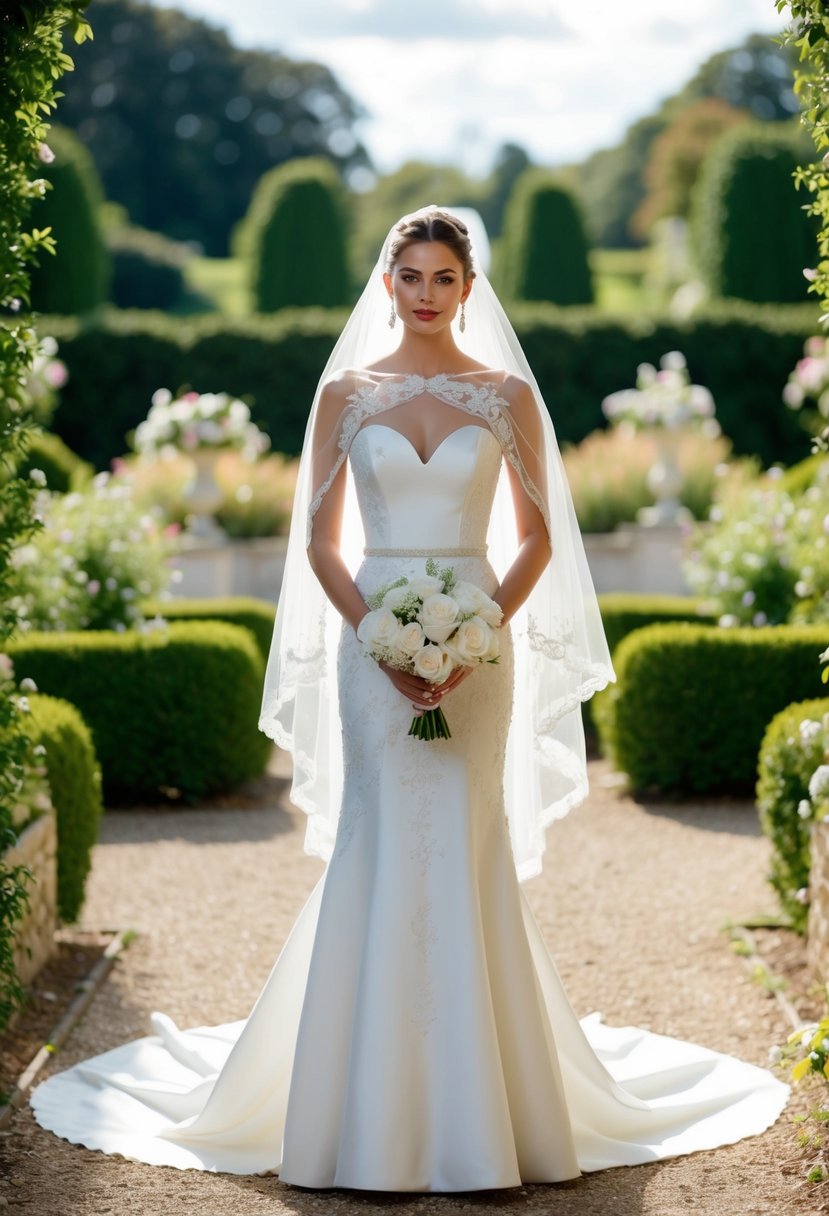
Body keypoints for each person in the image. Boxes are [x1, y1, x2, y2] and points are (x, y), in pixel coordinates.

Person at [30, 206, 788, 1190]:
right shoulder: (345, 393)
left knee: (463, 846)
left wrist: (477, 633)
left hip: (481, 653)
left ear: (468, 288)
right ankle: (360, 1109)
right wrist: (376, 638)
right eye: (410, 276)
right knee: (379, 836)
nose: (426, 294)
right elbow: (316, 542)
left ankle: (488, 1111)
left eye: (444, 277)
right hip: (368, 649)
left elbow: (537, 541)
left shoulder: (505, 395)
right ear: (386, 281)